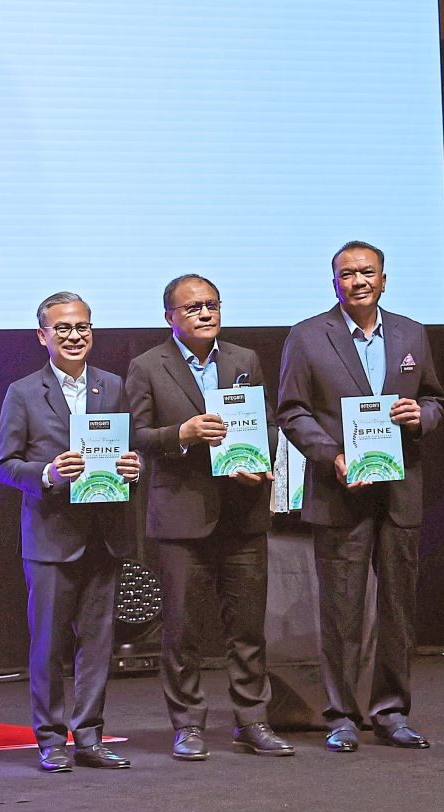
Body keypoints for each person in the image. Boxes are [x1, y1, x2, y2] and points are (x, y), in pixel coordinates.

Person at [277, 241, 444, 752]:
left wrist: (421, 417)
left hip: (399, 493)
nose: (358, 281)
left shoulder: (411, 332)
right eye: (347, 274)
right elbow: (292, 411)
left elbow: (434, 399)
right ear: (334, 283)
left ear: (384, 280)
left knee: (398, 611)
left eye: (367, 272)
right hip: (340, 491)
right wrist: (331, 456)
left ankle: (391, 712)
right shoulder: (307, 336)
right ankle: (342, 716)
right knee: (342, 613)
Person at [125, 274, 294, 761]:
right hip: (182, 516)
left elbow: (266, 424)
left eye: (212, 305)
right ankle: (188, 724)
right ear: (170, 317)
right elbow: (136, 435)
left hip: (243, 512)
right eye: (193, 307)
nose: (205, 313)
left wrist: (258, 458)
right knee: (183, 630)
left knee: (248, 628)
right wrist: (182, 433)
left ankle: (252, 720)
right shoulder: (147, 366)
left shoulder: (244, 359)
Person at [0, 292, 140, 773]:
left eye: (82, 327)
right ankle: (51, 739)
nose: (74, 336)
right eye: (63, 328)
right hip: (50, 537)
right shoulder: (22, 391)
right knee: (48, 646)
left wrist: (134, 466)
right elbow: (4, 465)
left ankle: (90, 737)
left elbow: (131, 448)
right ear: (43, 336)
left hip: (104, 534)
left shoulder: (113, 386)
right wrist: (48, 474)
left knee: (97, 645)